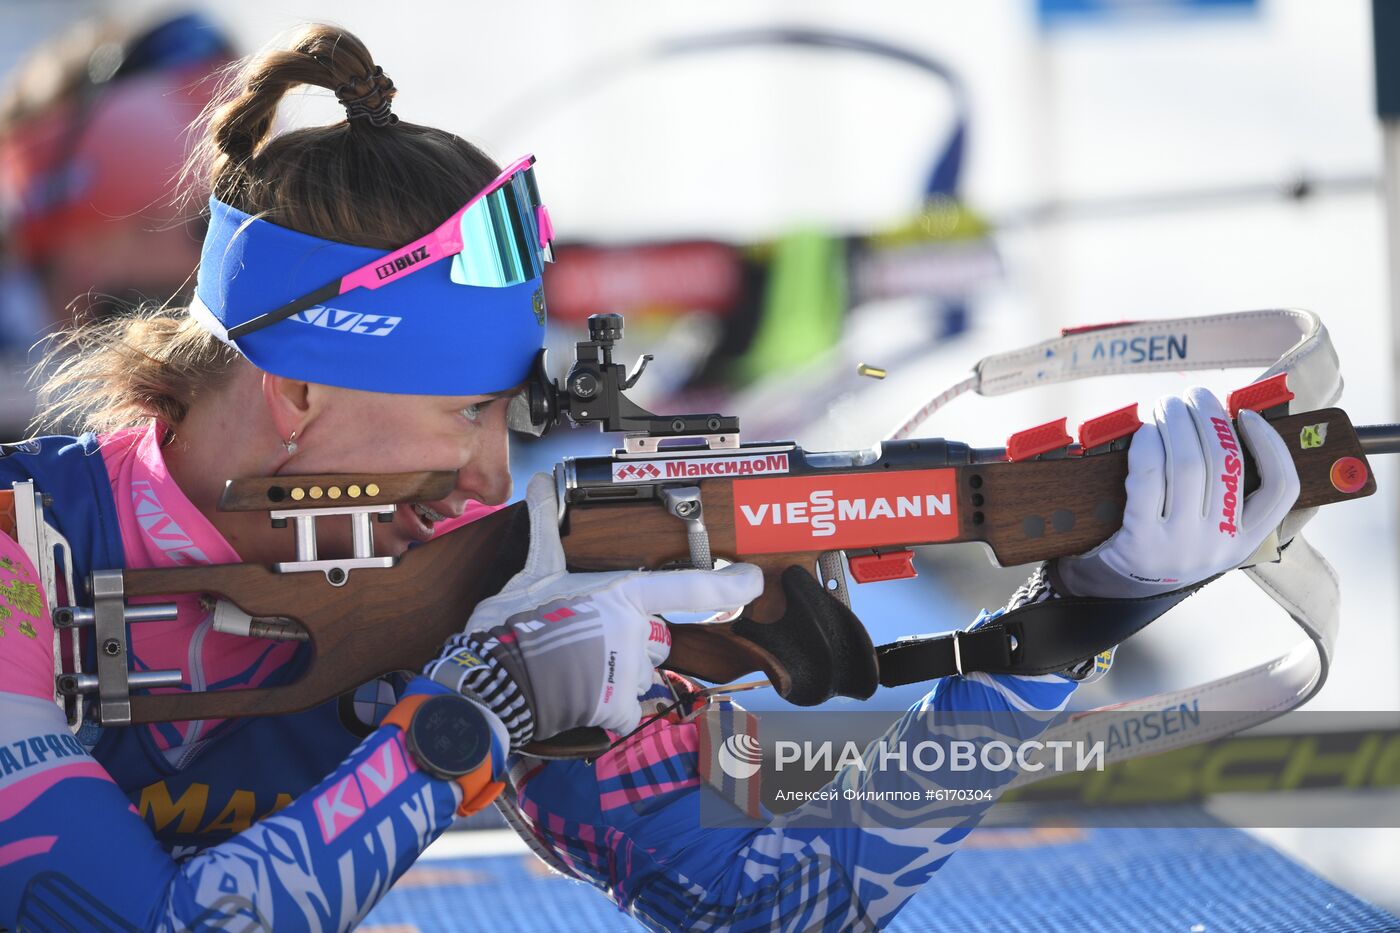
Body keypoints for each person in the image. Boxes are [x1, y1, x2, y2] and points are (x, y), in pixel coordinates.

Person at [0, 24, 1300, 931]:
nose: (492, 466)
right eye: (462, 413)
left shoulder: (454, 569)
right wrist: (473, 722)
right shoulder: (21, 551)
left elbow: (788, 904)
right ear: (293, 393)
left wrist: (1062, 624)